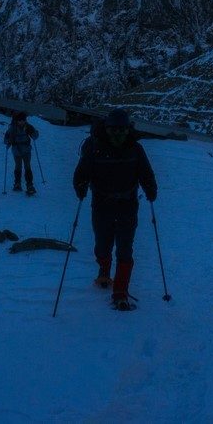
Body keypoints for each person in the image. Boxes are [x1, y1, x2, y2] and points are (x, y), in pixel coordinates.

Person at [72, 108, 157, 310]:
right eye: (113, 130)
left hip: (127, 205)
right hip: (102, 204)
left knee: (125, 248)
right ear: (107, 129)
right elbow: (81, 172)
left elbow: (146, 172)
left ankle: (120, 292)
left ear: (128, 129)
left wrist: (151, 188)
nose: (117, 133)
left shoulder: (135, 149)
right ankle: (104, 268)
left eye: (121, 130)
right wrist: (80, 186)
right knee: (102, 245)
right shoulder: (94, 147)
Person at [4, 112, 39, 195]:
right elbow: (6, 139)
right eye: (20, 121)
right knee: (18, 166)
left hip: (26, 151)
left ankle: (30, 185)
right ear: (17, 121)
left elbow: (35, 137)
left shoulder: (28, 127)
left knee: (27, 167)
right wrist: (8, 141)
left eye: (23, 121)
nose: (21, 122)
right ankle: (17, 183)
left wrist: (35, 132)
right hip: (17, 151)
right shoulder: (12, 128)